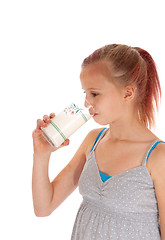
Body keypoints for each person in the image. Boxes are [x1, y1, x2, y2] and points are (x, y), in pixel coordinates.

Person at [32, 44, 165, 239]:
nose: (87, 103)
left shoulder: (158, 157)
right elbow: (44, 207)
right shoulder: (93, 141)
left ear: (128, 93)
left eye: (94, 93)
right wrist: (41, 154)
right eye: (85, 93)